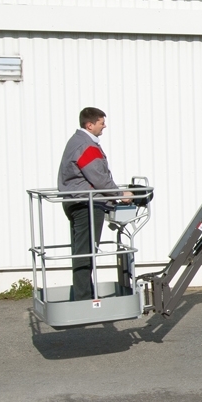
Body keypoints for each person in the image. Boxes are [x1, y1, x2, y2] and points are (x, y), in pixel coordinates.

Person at [57, 106, 122, 300]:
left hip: (76, 202)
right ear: (90, 124)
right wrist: (120, 194)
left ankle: (84, 293)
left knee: (82, 250)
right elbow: (98, 177)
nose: (105, 126)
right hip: (87, 204)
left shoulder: (77, 142)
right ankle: (84, 298)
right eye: (102, 123)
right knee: (86, 251)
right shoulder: (86, 145)